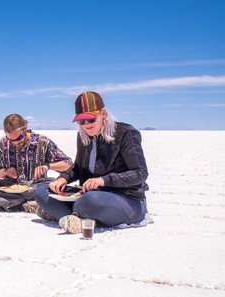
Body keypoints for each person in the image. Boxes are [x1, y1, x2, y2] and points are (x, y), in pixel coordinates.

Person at [34, 91, 151, 233]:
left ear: (103, 114)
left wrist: (103, 180)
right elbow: (78, 167)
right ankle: (74, 220)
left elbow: (140, 173)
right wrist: (63, 178)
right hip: (89, 194)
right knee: (42, 191)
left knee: (88, 201)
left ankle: (62, 215)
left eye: (91, 119)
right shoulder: (84, 136)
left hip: (125, 199)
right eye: (81, 121)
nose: (86, 124)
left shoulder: (125, 134)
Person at [0, 114, 72, 212]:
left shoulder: (42, 142)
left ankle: (5, 202)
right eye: (11, 140)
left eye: (18, 138)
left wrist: (47, 166)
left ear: (25, 128)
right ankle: (22, 202)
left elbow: (68, 164)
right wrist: (5, 171)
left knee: (50, 183)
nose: (15, 143)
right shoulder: (4, 143)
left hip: (34, 186)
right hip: (9, 186)